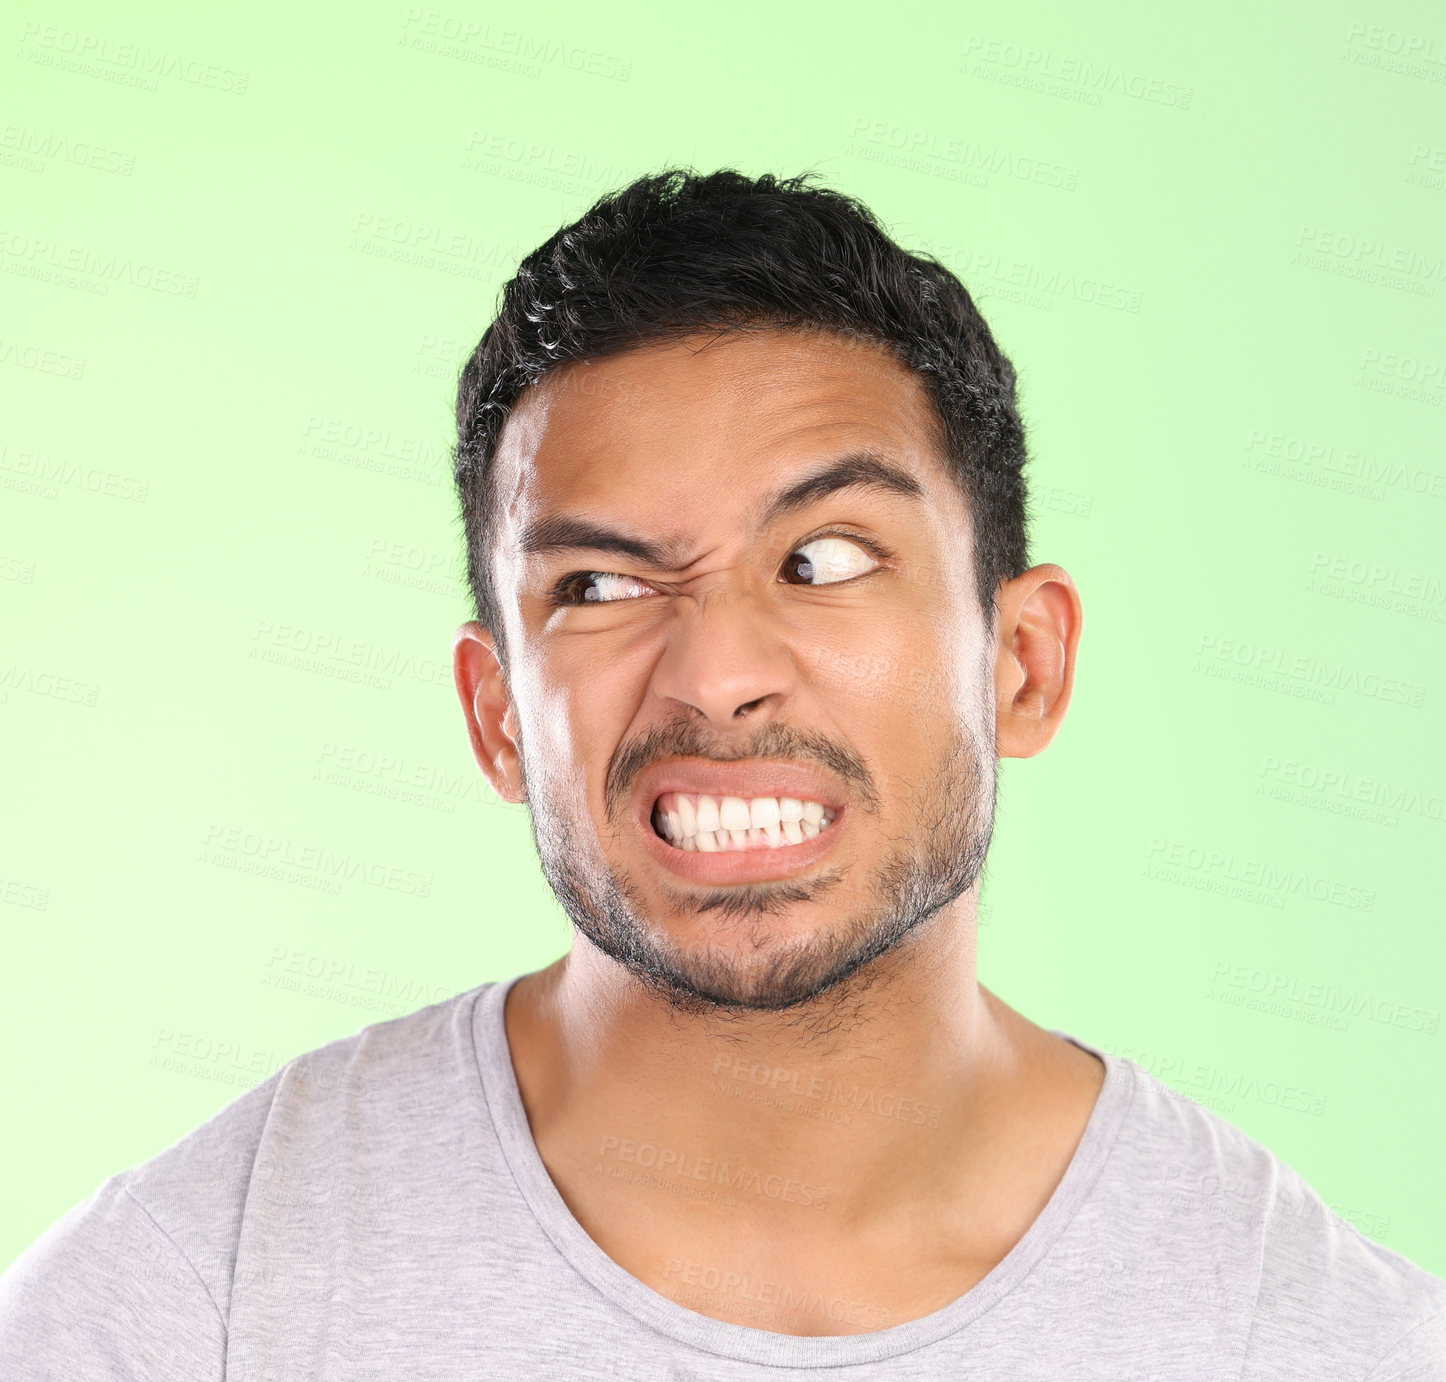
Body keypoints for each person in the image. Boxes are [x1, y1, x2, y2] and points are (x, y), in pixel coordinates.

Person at [1, 168, 1441, 1379]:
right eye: (600, 588)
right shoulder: (197, 1300)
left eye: (821, 560)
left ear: (1022, 663)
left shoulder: (1305, 1335)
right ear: (498, 713)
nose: (712, 672)